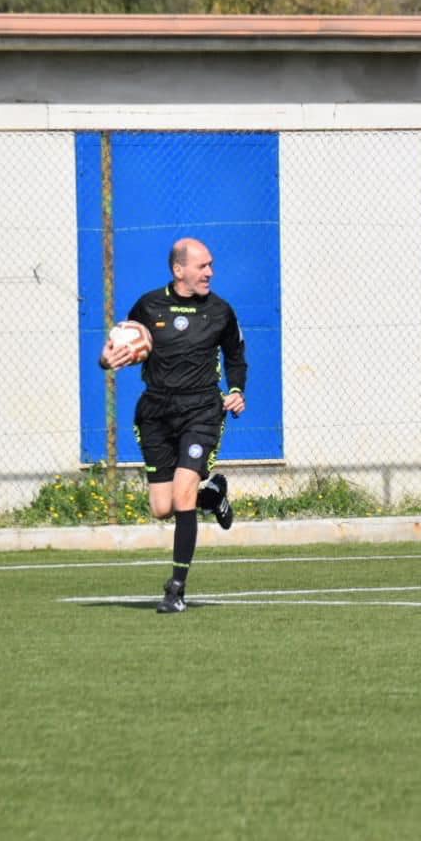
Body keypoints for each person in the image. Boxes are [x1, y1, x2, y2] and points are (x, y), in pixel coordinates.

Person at [98, 238, 244, 615]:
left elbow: (235, 357)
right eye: (202, 266)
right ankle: (211, 496)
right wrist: (107, 358)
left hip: (201, 411)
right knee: (162, 508)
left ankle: (175, 588)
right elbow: (119, 347)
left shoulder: (221, 311)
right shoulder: (148, 306)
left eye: (211, 265)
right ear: (179, 270)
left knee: (182, 498)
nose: (210, 272)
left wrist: (237, 390)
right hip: (156, 414)